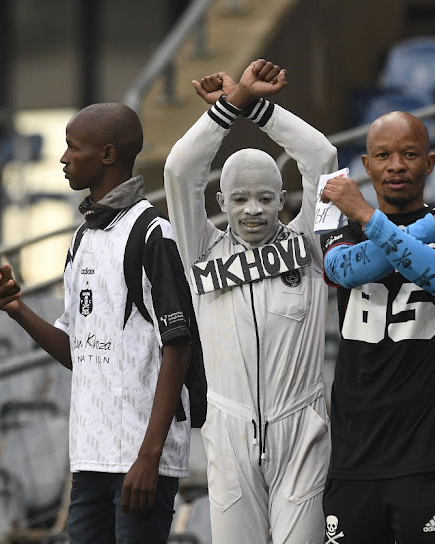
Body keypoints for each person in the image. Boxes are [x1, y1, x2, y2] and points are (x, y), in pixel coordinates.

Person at [0, 103, 199, 544]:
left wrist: (149, 456)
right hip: (91, 459)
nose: (63, 158)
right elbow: (80, 351)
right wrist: (17, 309)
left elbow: (179, 346)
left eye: (73, 148)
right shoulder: (83, 237)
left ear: (108, 154)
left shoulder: (152, 234)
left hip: (141, 461)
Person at [163, 59, 337, 544]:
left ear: (285, 198)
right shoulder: (200, 248)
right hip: (228, 428)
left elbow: (321, 157)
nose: (253, 211)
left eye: (265, 198)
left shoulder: (311, 244)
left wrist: (258, 108)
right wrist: (227, 109)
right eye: (239, 200)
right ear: (220, 202)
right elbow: (180, 168)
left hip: (300, 427)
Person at [319, 111, 435, 543]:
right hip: (354, 446)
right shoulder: (343, 222)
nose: (396, 165)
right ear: (367, 164)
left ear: (429, 163)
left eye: (410, 154)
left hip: (426, 446)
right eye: (383, 155)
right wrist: (432, 225)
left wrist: (372, 219)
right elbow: (345, 271)